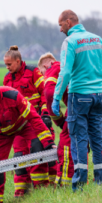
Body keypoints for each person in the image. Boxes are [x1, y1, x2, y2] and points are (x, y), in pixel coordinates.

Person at [52, 10, 102, 191]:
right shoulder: (97, 39)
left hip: (78, 96)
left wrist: (56, 98)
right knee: (97, 138)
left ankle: (79, 184)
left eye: (61, 25)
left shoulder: (69, 42)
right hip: (97, 96)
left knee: (79, 138)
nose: (60, 29)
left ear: (69, 22)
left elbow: (66, 72)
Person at [3, 45, 55, 191]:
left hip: (37, 121)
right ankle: (21, 192)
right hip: (20, 125)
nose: (7, 67)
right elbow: (7, 105)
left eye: (9, 64)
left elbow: (45, 94)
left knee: (42, 152)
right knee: (19, 156)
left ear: (18, 61)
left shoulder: (33, 72)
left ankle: (46, 187)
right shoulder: (7, 79)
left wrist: (45, 114)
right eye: (5, 65)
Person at [38, 52, 74, 187]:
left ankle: (64, 183)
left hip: (77, 106)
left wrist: (59, 121)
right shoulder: (64, 67)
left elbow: (48, 94)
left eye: (42, 73)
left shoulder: (53, 69)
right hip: (96, 100)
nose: (43, 77)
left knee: (65, 143)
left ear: (46, 65)